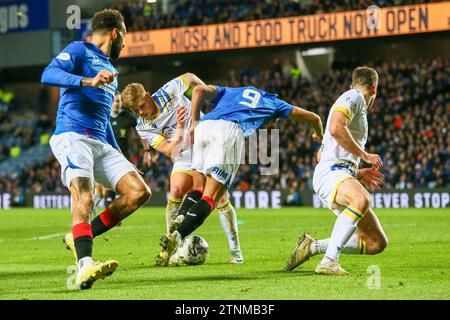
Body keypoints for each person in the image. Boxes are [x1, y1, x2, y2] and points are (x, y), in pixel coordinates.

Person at [41, 9, 151, 289]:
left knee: (139, 192)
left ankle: (78, 236)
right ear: (115, 33)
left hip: (100, 140)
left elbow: (104, 121)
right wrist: (86, 80)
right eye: (124, 36)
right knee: (85, 195)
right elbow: (48, 73)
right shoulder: (79, 49)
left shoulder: (112, 73)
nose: (124, 44)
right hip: (72, 135)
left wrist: (121, 155)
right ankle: (84, 266)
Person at [157, 84, 324, 266]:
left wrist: (195, 125)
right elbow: (313, 117)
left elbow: (198, 90)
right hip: (228, 131)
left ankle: (181, 215)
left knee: (197, 187)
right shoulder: (276, 104)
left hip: (204, 126)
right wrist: (318, 133)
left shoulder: (233, 91)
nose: (268, 125)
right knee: (211, 197)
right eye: (270, 123)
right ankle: (178, 235)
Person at [121, 74, 244, 264]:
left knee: (220, 198)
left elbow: (190, 77)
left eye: (141, 105)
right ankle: (171, 249)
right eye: (135, 110)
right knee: (176, 190)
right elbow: (170, 150)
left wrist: (212, 98)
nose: (140, 112)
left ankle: (235, 251)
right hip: (183, 151)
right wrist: (179, 127)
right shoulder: (143, 127)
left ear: (147, 95)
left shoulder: (168, 92)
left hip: (205, 140)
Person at [285, 66, 388, 275]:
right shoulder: (355, 96)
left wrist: (356, 173)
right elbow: (334, 127)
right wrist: (364, 156)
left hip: (338, 172)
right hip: (332, 173)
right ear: (375, 89)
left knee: (376, 243)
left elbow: (321, 155)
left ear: (352, 83)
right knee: (361, 200)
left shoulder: (355, 105)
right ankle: (329, 261)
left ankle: (312, 247)